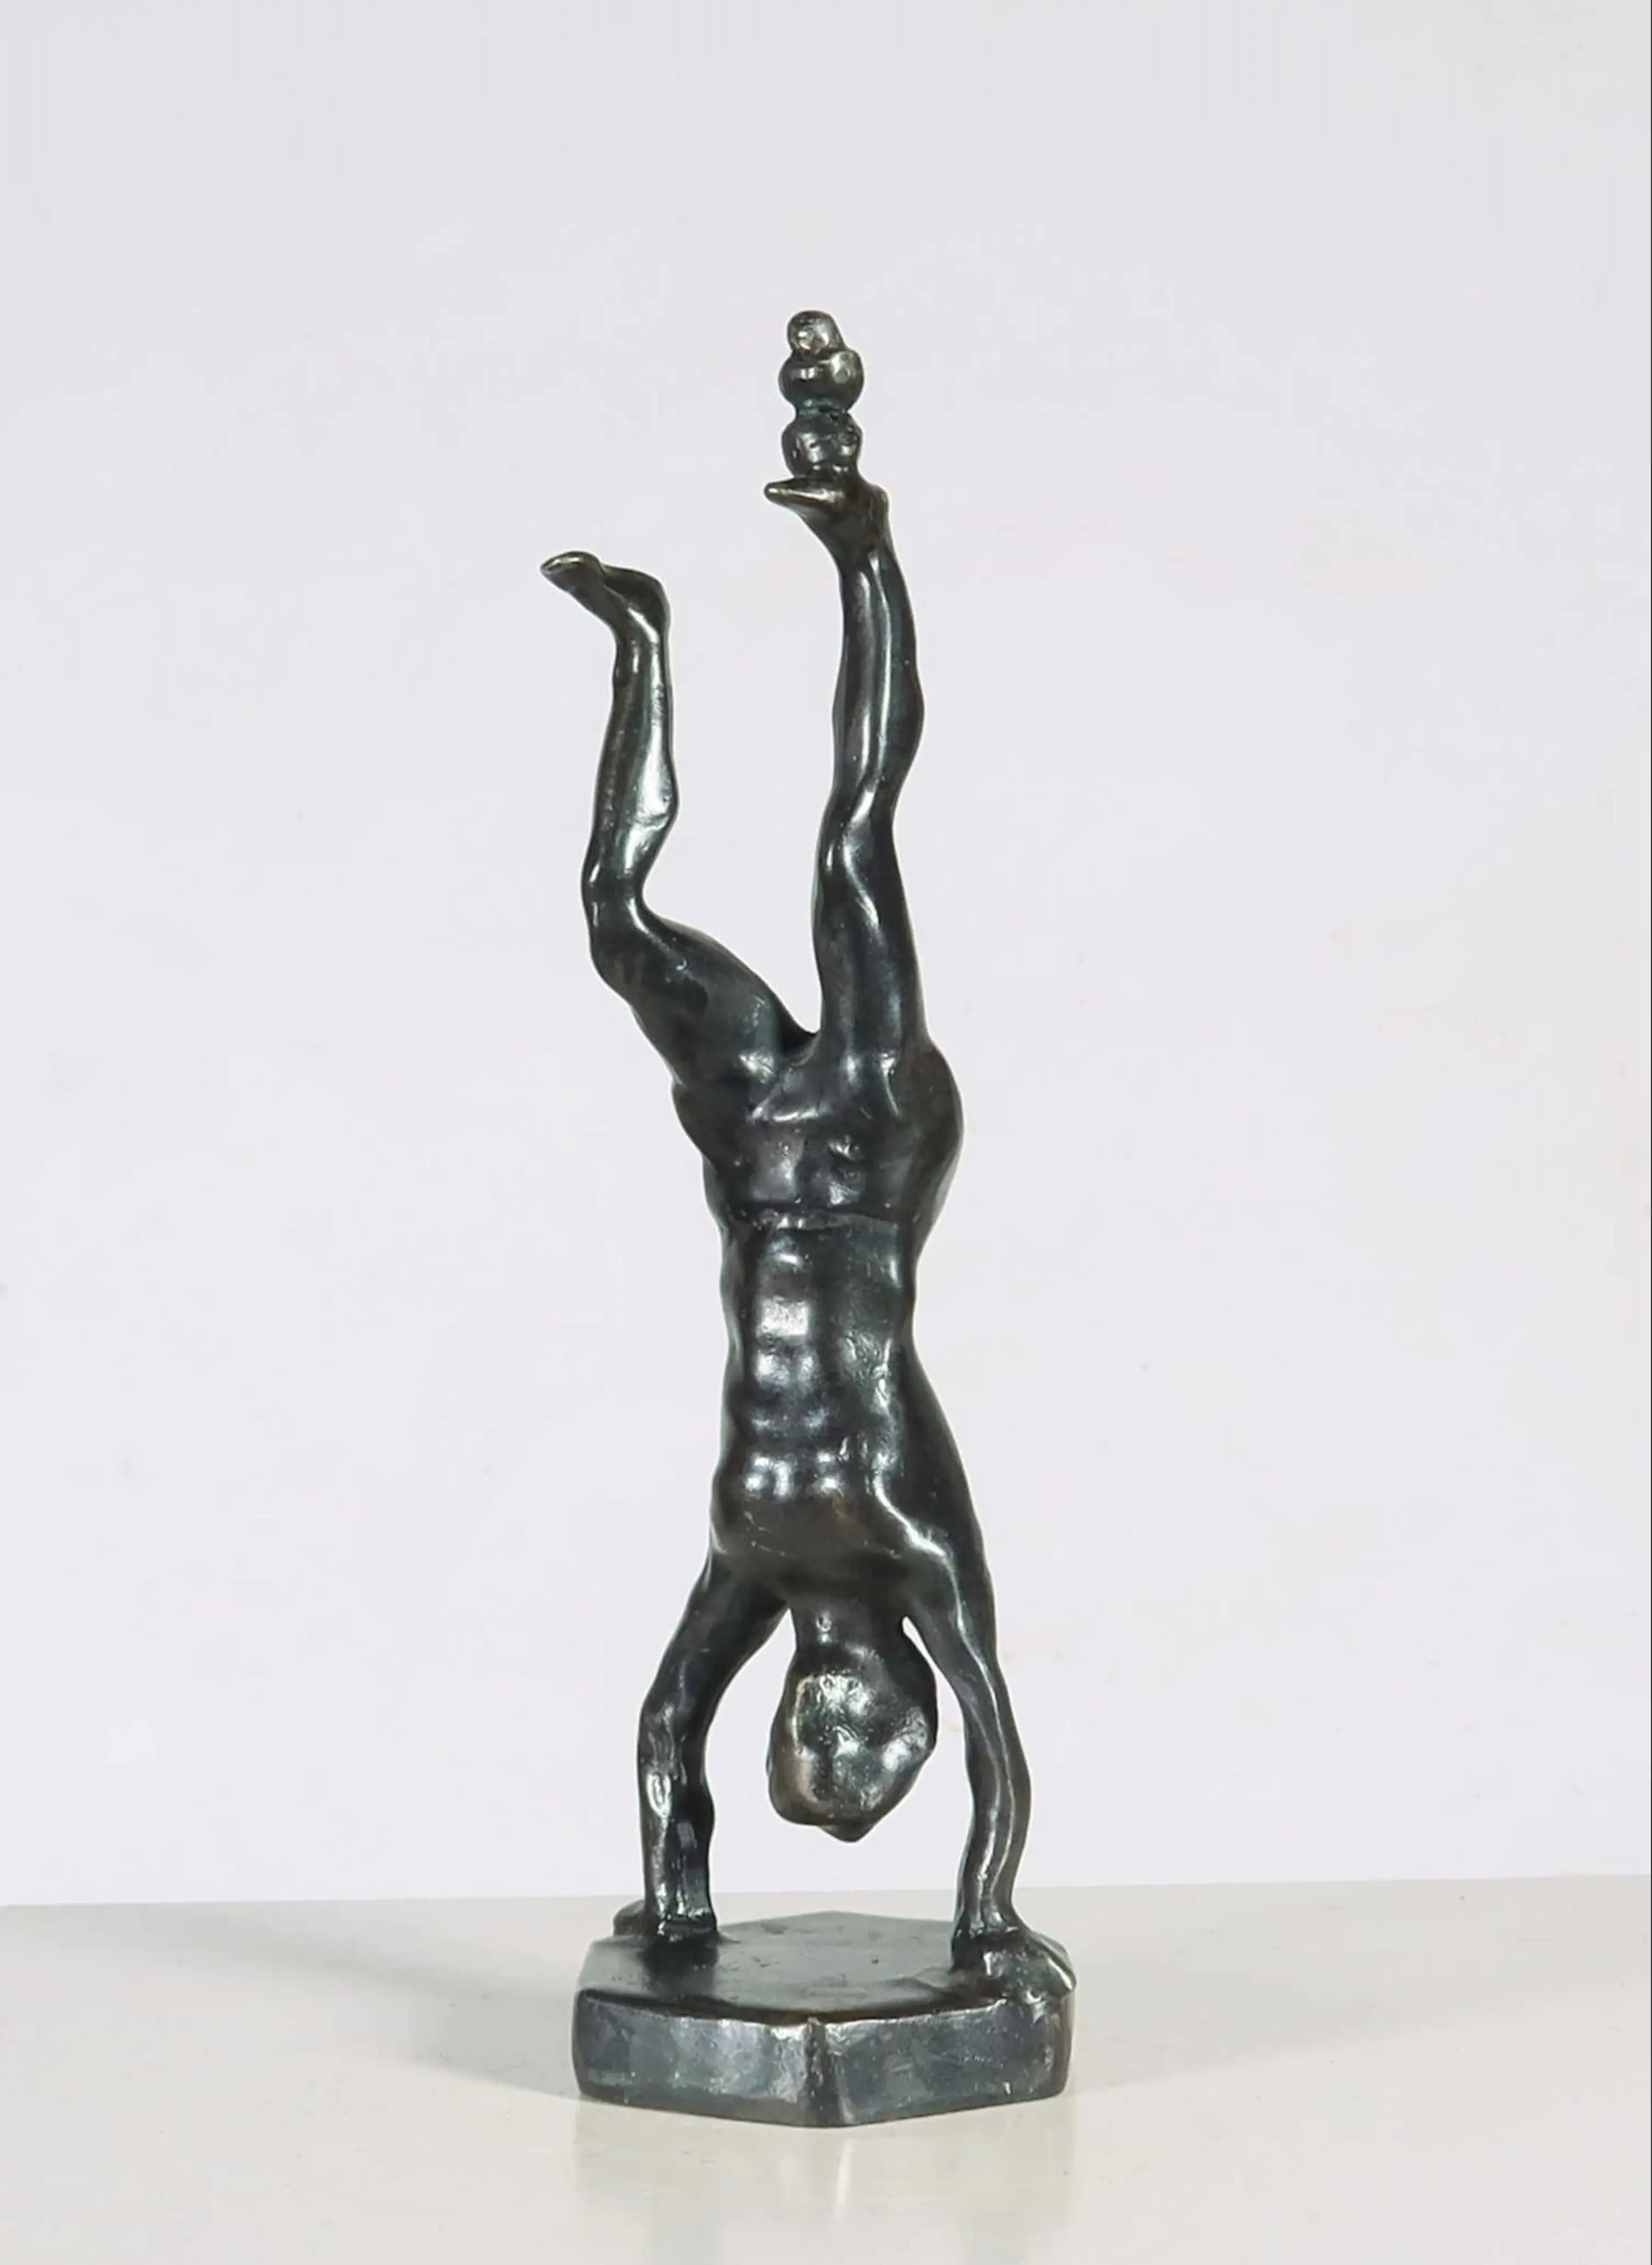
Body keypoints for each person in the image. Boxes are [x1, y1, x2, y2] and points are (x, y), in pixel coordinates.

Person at [543, 316, 1069, 1991]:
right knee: (854, 842)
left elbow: (663, 1724)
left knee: (617, 920)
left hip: (752, 1156)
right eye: (862, 1756)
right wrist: (987, 1910)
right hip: (858, 1145)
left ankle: (643, 638)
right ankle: (864, 547)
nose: (830, 1742)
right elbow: (1002, 1748)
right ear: (904, 1708)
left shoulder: (757, 1562)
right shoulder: (917, 1544)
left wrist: (674, 1894)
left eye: (812, 1757)